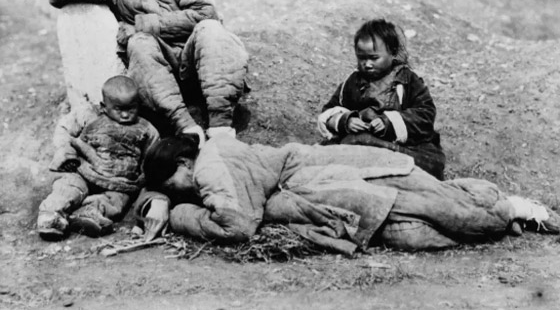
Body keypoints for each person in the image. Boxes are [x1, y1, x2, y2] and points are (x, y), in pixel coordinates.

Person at [134, 135, 559, 254]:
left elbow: (237, 226)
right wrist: (162, 200)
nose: (180, 193)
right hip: (321, 185)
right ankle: (498, 213)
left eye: (173, 186)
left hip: (328, 175)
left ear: (183, 164)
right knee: (415, 234)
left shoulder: (211, 167)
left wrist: (179, 215)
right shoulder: (211, 156)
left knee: (458, 215)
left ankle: (517, 208)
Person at [49, 0, 249, 144]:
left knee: (210, 29)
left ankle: (221, 125)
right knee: (139, 43)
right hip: (160, 78)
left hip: (201, 60)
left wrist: (142, 25)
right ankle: (186, 127)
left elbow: (206, 13)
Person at [317, 19, 445, 179]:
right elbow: (330, 111)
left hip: (401, 146)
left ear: (392, 53)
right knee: (338, 150)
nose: (367, 64)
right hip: (360, 140)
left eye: (373, 58)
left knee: (425, 165)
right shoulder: (353, 81)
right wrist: (346, 121)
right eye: (361, 58)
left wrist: (389, 123)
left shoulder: (408, 81)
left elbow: (425, 114)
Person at [37, 76, 159, 240]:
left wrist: (142, 177)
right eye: (118, 109)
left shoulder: (146, 129)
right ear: (104, 107)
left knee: (117, 202)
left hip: (119, 182)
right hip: (86, 171)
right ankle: (52, 215)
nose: (125, 115)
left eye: (131, 109)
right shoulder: (92, 119)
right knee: (70, 186)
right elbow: (68, 135)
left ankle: (90, 213)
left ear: (139, 106)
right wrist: (67, 154)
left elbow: (152, 156)